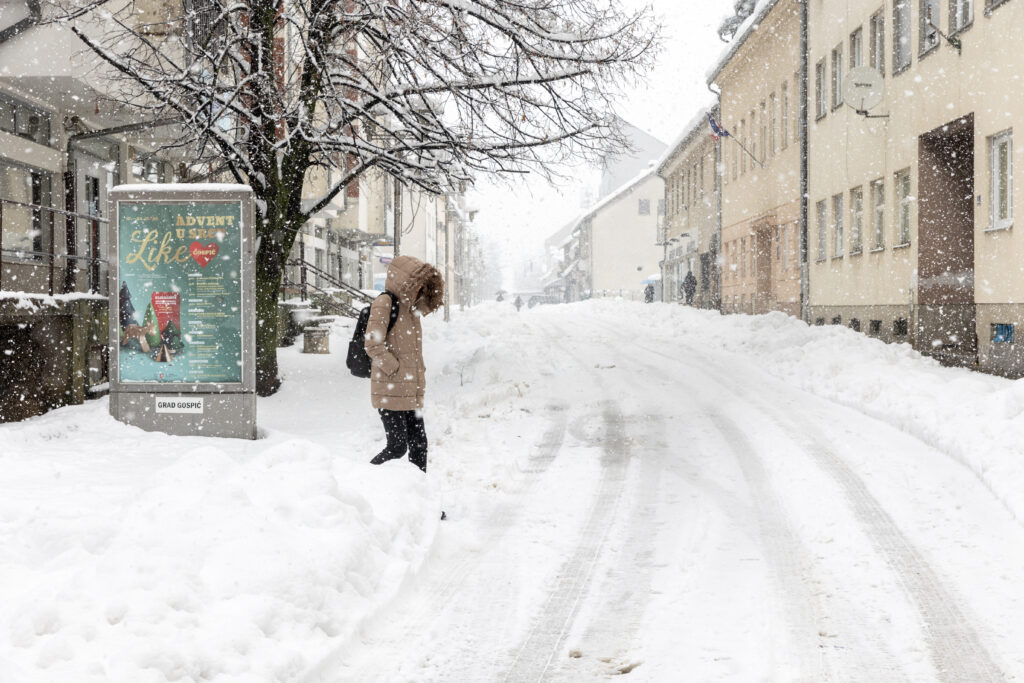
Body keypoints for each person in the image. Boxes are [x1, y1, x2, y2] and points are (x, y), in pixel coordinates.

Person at [365, 255, 444, 472]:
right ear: (404, 280)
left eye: (423, 284)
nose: (420, 288)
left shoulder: (412, 311)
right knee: (397, 447)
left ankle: (420, 499)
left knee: (420, 446)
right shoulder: (385, 302)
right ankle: (365, 480)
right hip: (390, 389)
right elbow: (373, 345)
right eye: (417, 282)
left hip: (409, 390)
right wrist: (396, 370)